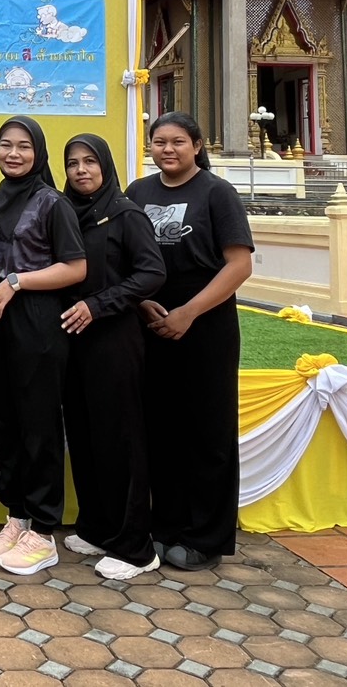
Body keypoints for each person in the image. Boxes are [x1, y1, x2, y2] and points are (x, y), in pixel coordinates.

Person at [126, 111, 253, 572]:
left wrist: (189, 312)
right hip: (150, 322)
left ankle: (206, 537)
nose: (168, 149)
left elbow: (239, 265)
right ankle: (166, 526)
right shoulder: (138, 193)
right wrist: (142, 302)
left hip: (206, 326)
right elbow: (123, 258)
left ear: (197, 146)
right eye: (159, 142)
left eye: (178, 141)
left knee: (207, 432)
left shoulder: (217, 193)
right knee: (159, 430)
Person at [0, 116, 86, 576]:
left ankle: (43, 529)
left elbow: (75, 268)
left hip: (38, 320)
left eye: (24, 146)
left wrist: (16, 282)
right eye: (6, 145)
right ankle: (17, 515)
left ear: (38, 152)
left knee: (38, 423)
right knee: (5, 420)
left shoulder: (53, 203)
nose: (14, 153)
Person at [59, 133, 166, 580]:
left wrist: (99, 304)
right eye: (72, 163)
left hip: (114, 339)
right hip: (72, 339)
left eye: (90, 161)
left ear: (105, 165)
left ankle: (135, 546)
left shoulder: (125, 214)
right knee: (85, 435)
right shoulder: (65, 213)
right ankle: (98, 527)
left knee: (119, 439)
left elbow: (151, 272)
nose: (81, 170)